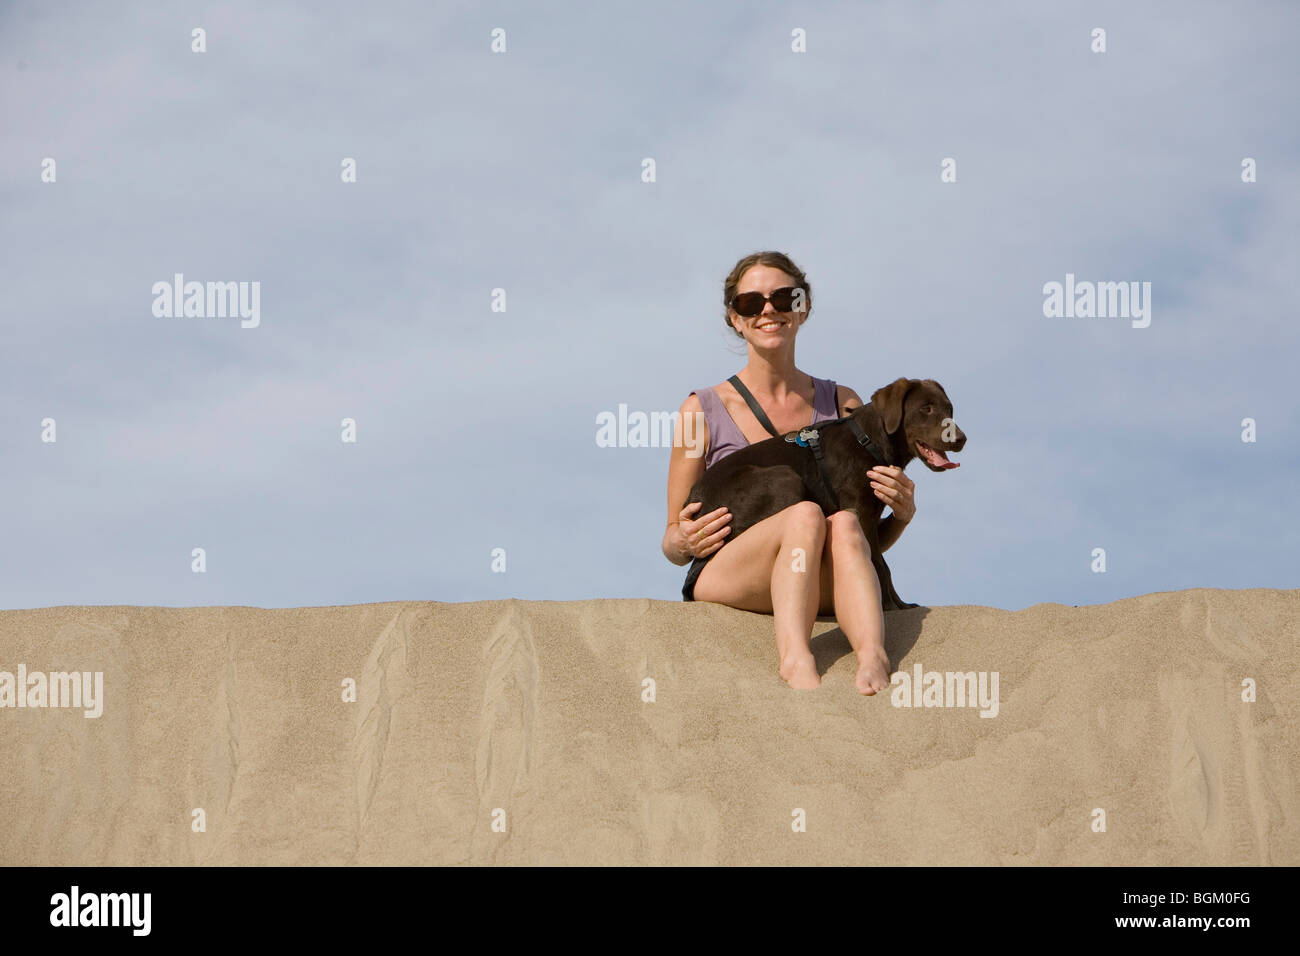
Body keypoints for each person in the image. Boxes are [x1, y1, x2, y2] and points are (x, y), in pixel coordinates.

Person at [662, 251, 916, 694]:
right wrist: (682, 538)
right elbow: (672, 543)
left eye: (784, 298)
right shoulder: (699, 411)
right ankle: (796, 659)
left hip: (818, 578)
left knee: (842, 522)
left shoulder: (844, 405)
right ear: (735, 319)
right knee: (803, 515)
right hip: (736, 574)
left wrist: (901, 516)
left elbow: (860, 540)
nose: (768, 310)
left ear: (803, 308)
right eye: (750, 303)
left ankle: (873, 655)